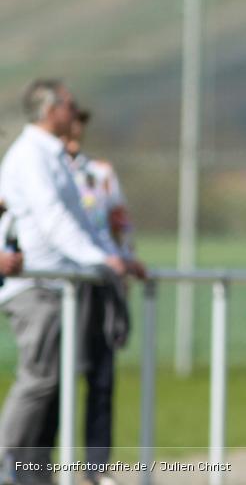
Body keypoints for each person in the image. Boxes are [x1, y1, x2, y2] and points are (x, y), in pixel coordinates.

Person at [0, 79, 127, 485]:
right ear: (50, 110)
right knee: (39, 380)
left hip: (59, 286)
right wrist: (100, 260)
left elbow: (80, 220)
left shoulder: (53, 157)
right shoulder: (31, 156)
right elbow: (53, 218)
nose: (75, 114)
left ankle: (30, 473)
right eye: (69, 105)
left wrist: (114, 258)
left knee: (52, 385)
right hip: (35, 286)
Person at [63, 107, 145, 485]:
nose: (73, 137)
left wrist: (126, 261)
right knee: (51, 378)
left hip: (100, 285)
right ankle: (35, 462)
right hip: (57, 285)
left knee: (101, 376)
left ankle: (95, 466)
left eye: (77, 129)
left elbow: (120, 221)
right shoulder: (42, 171)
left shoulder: (100, 173)